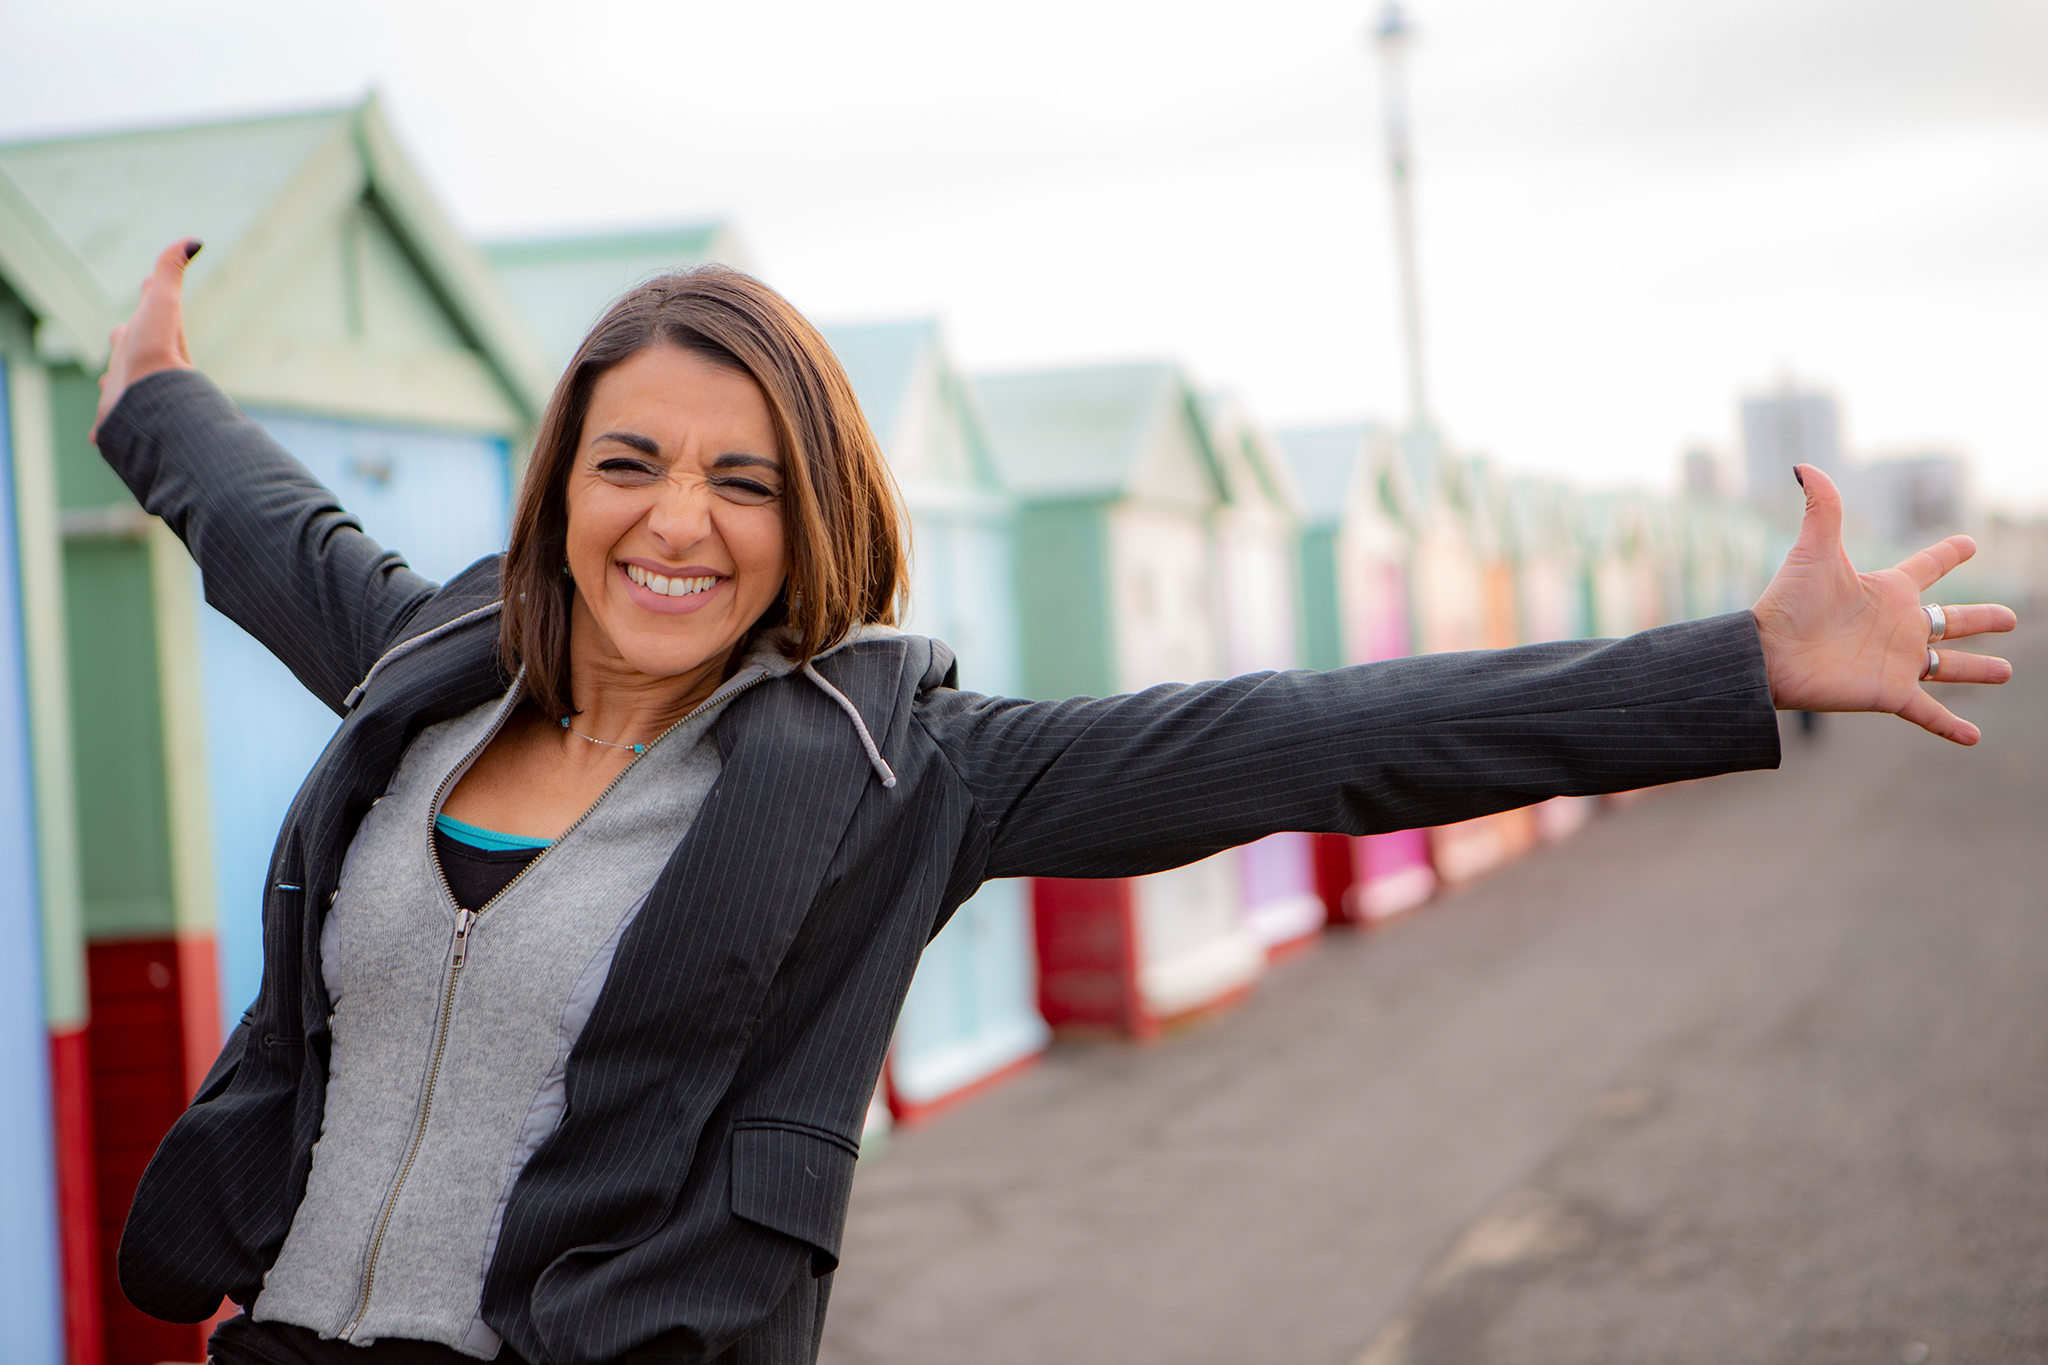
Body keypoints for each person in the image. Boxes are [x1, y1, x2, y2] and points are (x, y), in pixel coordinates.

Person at [93, 239, 2014, 1365]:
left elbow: (1324, 734)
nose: (678, 518)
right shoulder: (436, 668)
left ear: (809, 519)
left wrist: (1734, 666)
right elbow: (274, 530)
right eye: (634, 462)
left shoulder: (893, 768)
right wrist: (148, 395)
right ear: (562, 487)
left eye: (745, 481)